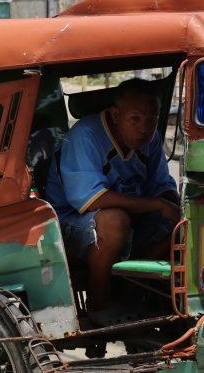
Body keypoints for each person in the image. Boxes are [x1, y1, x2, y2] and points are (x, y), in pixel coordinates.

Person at [46, 79, 180, 325]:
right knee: (115, 220)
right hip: (70, 223)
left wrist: (173, 207)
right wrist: (158, 205)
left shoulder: (150, 139)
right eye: (135, 120)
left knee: (178, 225)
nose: (144, 129)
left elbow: (162, 185)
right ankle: (98, 303)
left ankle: (129, 294)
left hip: (130, 219)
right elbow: (91, 199)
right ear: (116, 115)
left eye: (151, 120)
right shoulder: (86, 135)